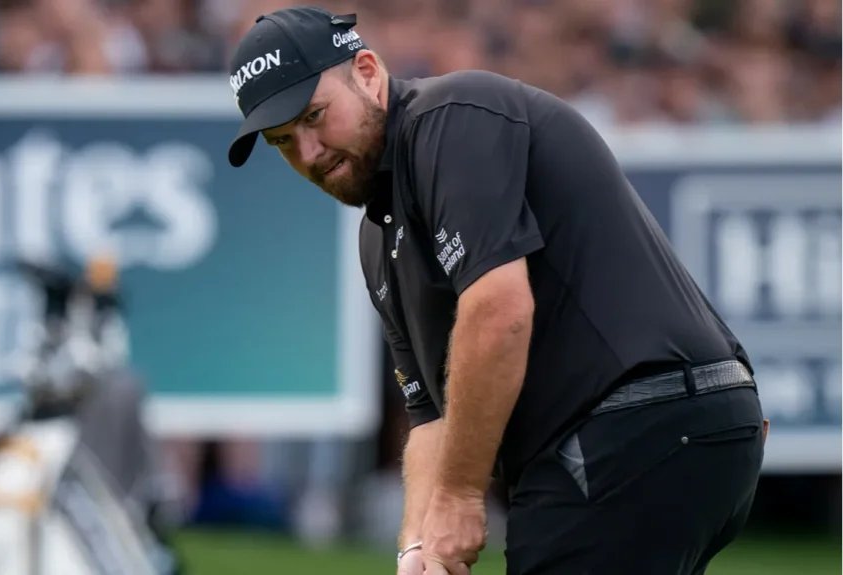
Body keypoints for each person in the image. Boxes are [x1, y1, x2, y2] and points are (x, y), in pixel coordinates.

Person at [225, 6, 769, 575]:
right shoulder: (378, 237)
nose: (308, 152)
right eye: (282, 141)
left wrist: (459, 497)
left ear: (366, 71)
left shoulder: (449, 119)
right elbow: (431, 416)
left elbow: (499, 311)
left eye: (315, 116)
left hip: (632, 429)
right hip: (675, 424)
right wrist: (419, 547)